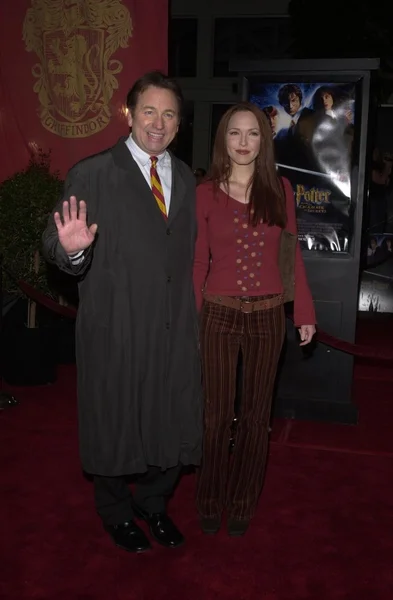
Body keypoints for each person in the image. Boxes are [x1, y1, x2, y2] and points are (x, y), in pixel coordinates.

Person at [42, 71, 202, 554]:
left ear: (180, 123)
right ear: (129, 115)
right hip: (117, 325)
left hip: (174, 326)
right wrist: (71, 251)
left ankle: (153, 504)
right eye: (149, 111)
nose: (159, 122)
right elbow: (56, 241)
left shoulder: (189, 179)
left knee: (173, 418)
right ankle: (114, 512)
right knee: (113, 421)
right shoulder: (93, 173)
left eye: (170, 113)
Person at [193, 102, 316, 537]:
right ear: (223, 140)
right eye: (234, 133)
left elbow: (291, 256)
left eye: (252, 134)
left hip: (267, 316)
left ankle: (243, 501)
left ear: (263, 141)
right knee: (215, 415)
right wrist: (195, 316)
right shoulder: (205, 193)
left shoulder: (280, 189)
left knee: (255, 415)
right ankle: (209, 497)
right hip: (219, 314)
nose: (243, 142)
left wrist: (303, 311)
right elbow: (197, 262)